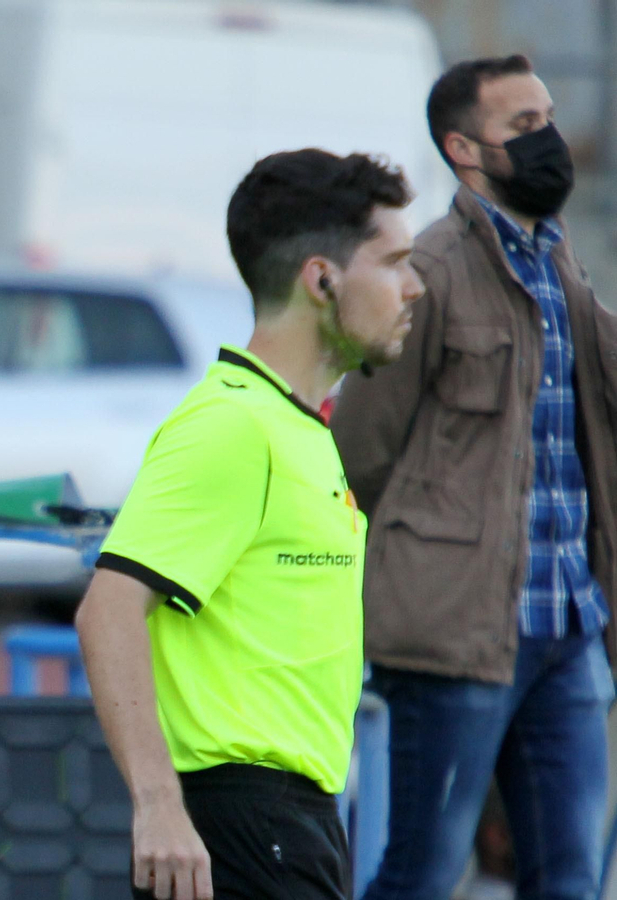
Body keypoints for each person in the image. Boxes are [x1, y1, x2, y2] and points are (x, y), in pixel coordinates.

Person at [75, 149, 422, 900]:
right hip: (238, 826)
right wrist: (160, 808)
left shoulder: (296, 428)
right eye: (395, 262)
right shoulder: (233, 425)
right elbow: (107, 609)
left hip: (290, 824)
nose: (414, 286)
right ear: (323, 279)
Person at [331, 54, 617, 900]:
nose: (549, 142)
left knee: (569, 876)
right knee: (422, 871)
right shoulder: (428, 273)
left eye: (549, 119)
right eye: (522, 127)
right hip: (457, 636)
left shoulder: (561, 265)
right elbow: (361, 455)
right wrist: (424, 570)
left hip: (568, 624)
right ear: (464, 149)